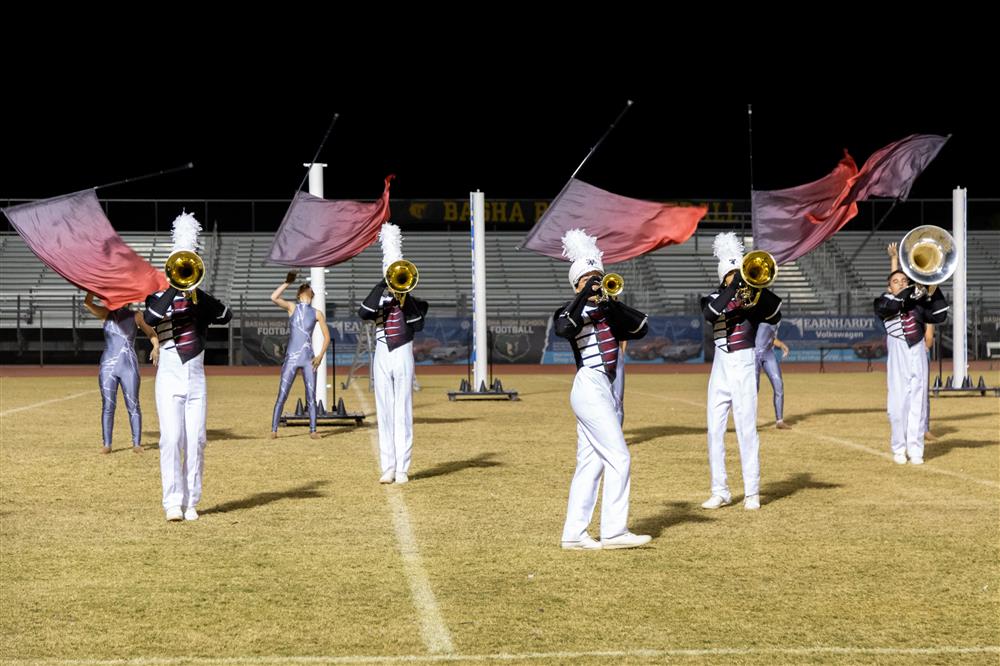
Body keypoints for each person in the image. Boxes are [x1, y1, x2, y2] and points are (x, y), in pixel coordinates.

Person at [555, 229, 651, 550]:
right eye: (590, 278)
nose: (598, 282)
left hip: (603, 389)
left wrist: (610, 301)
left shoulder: (607, 312)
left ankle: (574, 533)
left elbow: (640, 327)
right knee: (619, 457)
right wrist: (585, 294)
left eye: (600, 276)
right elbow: (562, 327)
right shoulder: (573, 311)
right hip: (588, 384)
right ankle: (614, 531)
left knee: (591, 462)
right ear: (578, 283)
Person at [144, 213, 232, 522]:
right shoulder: (158, 298)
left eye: (188, 266)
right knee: (171, 438)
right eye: (181, 265)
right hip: (168, 371)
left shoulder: (200, 302)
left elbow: (225, 314)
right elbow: (152, 319)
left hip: (196, 373)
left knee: (196, 439)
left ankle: (192, 500)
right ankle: (172, 501)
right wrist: (173, 285)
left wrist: (194, 289)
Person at [701, 233, 782, 511]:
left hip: (745, 361)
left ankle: (751, 492)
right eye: (732, 274)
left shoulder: (754, 299)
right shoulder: (713, 297)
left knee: (747, 429)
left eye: (740, 273)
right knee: (715, 429)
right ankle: (720, 490)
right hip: (720, 366)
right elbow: (711, 314)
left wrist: (755, 284)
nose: (738, 278)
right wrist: (734, 283)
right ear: (724, 277)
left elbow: (776, 311)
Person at [358, 223, 428, 485]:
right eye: (393, 274)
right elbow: (363, 313)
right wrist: (382, 284)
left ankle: (403, 468)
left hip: (402, 352)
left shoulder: (415, 302)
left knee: (402, 410)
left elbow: (418, 324)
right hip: (381, 353)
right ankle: (388, 466)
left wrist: (404, 294)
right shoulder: (378, 301)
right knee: (384, 410)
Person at [874, 269, 949, 465]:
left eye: (903, 280)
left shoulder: (917, 304)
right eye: (895, 281)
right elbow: (892, 307)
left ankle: (916, 449)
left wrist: (934, 288)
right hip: (898, 353)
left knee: (919, 401)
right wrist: (913, 291)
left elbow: (940, 316)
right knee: (897, 405)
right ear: (889, 287)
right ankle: (898, 447)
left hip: (917, 350)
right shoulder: (882, 301)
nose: (900, 283)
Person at [84, 292, 158, 454]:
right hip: (108, 366)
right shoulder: (106, 313)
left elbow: (151, 333)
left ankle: (136, 444)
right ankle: (107, 444)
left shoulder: (136, 316)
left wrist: (156, 346)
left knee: (133, 404)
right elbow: (87, 304)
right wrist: (92, 288)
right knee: (108, 405)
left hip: (128, 366)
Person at [269, 272, 330, 439]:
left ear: (312, 294)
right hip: (292, 357)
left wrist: (320, 355)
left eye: (308, 290)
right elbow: (274, 297)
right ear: (299, 294)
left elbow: (327, 336)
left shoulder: (317, 313)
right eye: (304, 290)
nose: (306, 292)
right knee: (283, 393)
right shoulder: (292, 308)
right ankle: (274, 429)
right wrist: (286, 282)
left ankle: (313, 430)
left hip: (308, 358)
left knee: (311, 395)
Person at [887, 243, 936, 440]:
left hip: (918, 346)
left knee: (921, 390)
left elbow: (929, 312)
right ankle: (906, 429)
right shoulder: (899, 300)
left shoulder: (920, 298)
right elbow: (896, 287)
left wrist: (928, 337)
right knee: (902, 391)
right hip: (902, 348)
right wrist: (893, 260)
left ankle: (923, 428)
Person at [754, 321, 791, 429]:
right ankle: (749, 421)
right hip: (753, 354)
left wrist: (781, 345)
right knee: (753, 389)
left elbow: (770, 338)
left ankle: (779, 421)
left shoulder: (776, 316)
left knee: (778, 384)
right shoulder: (756, 311)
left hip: (768, 353)